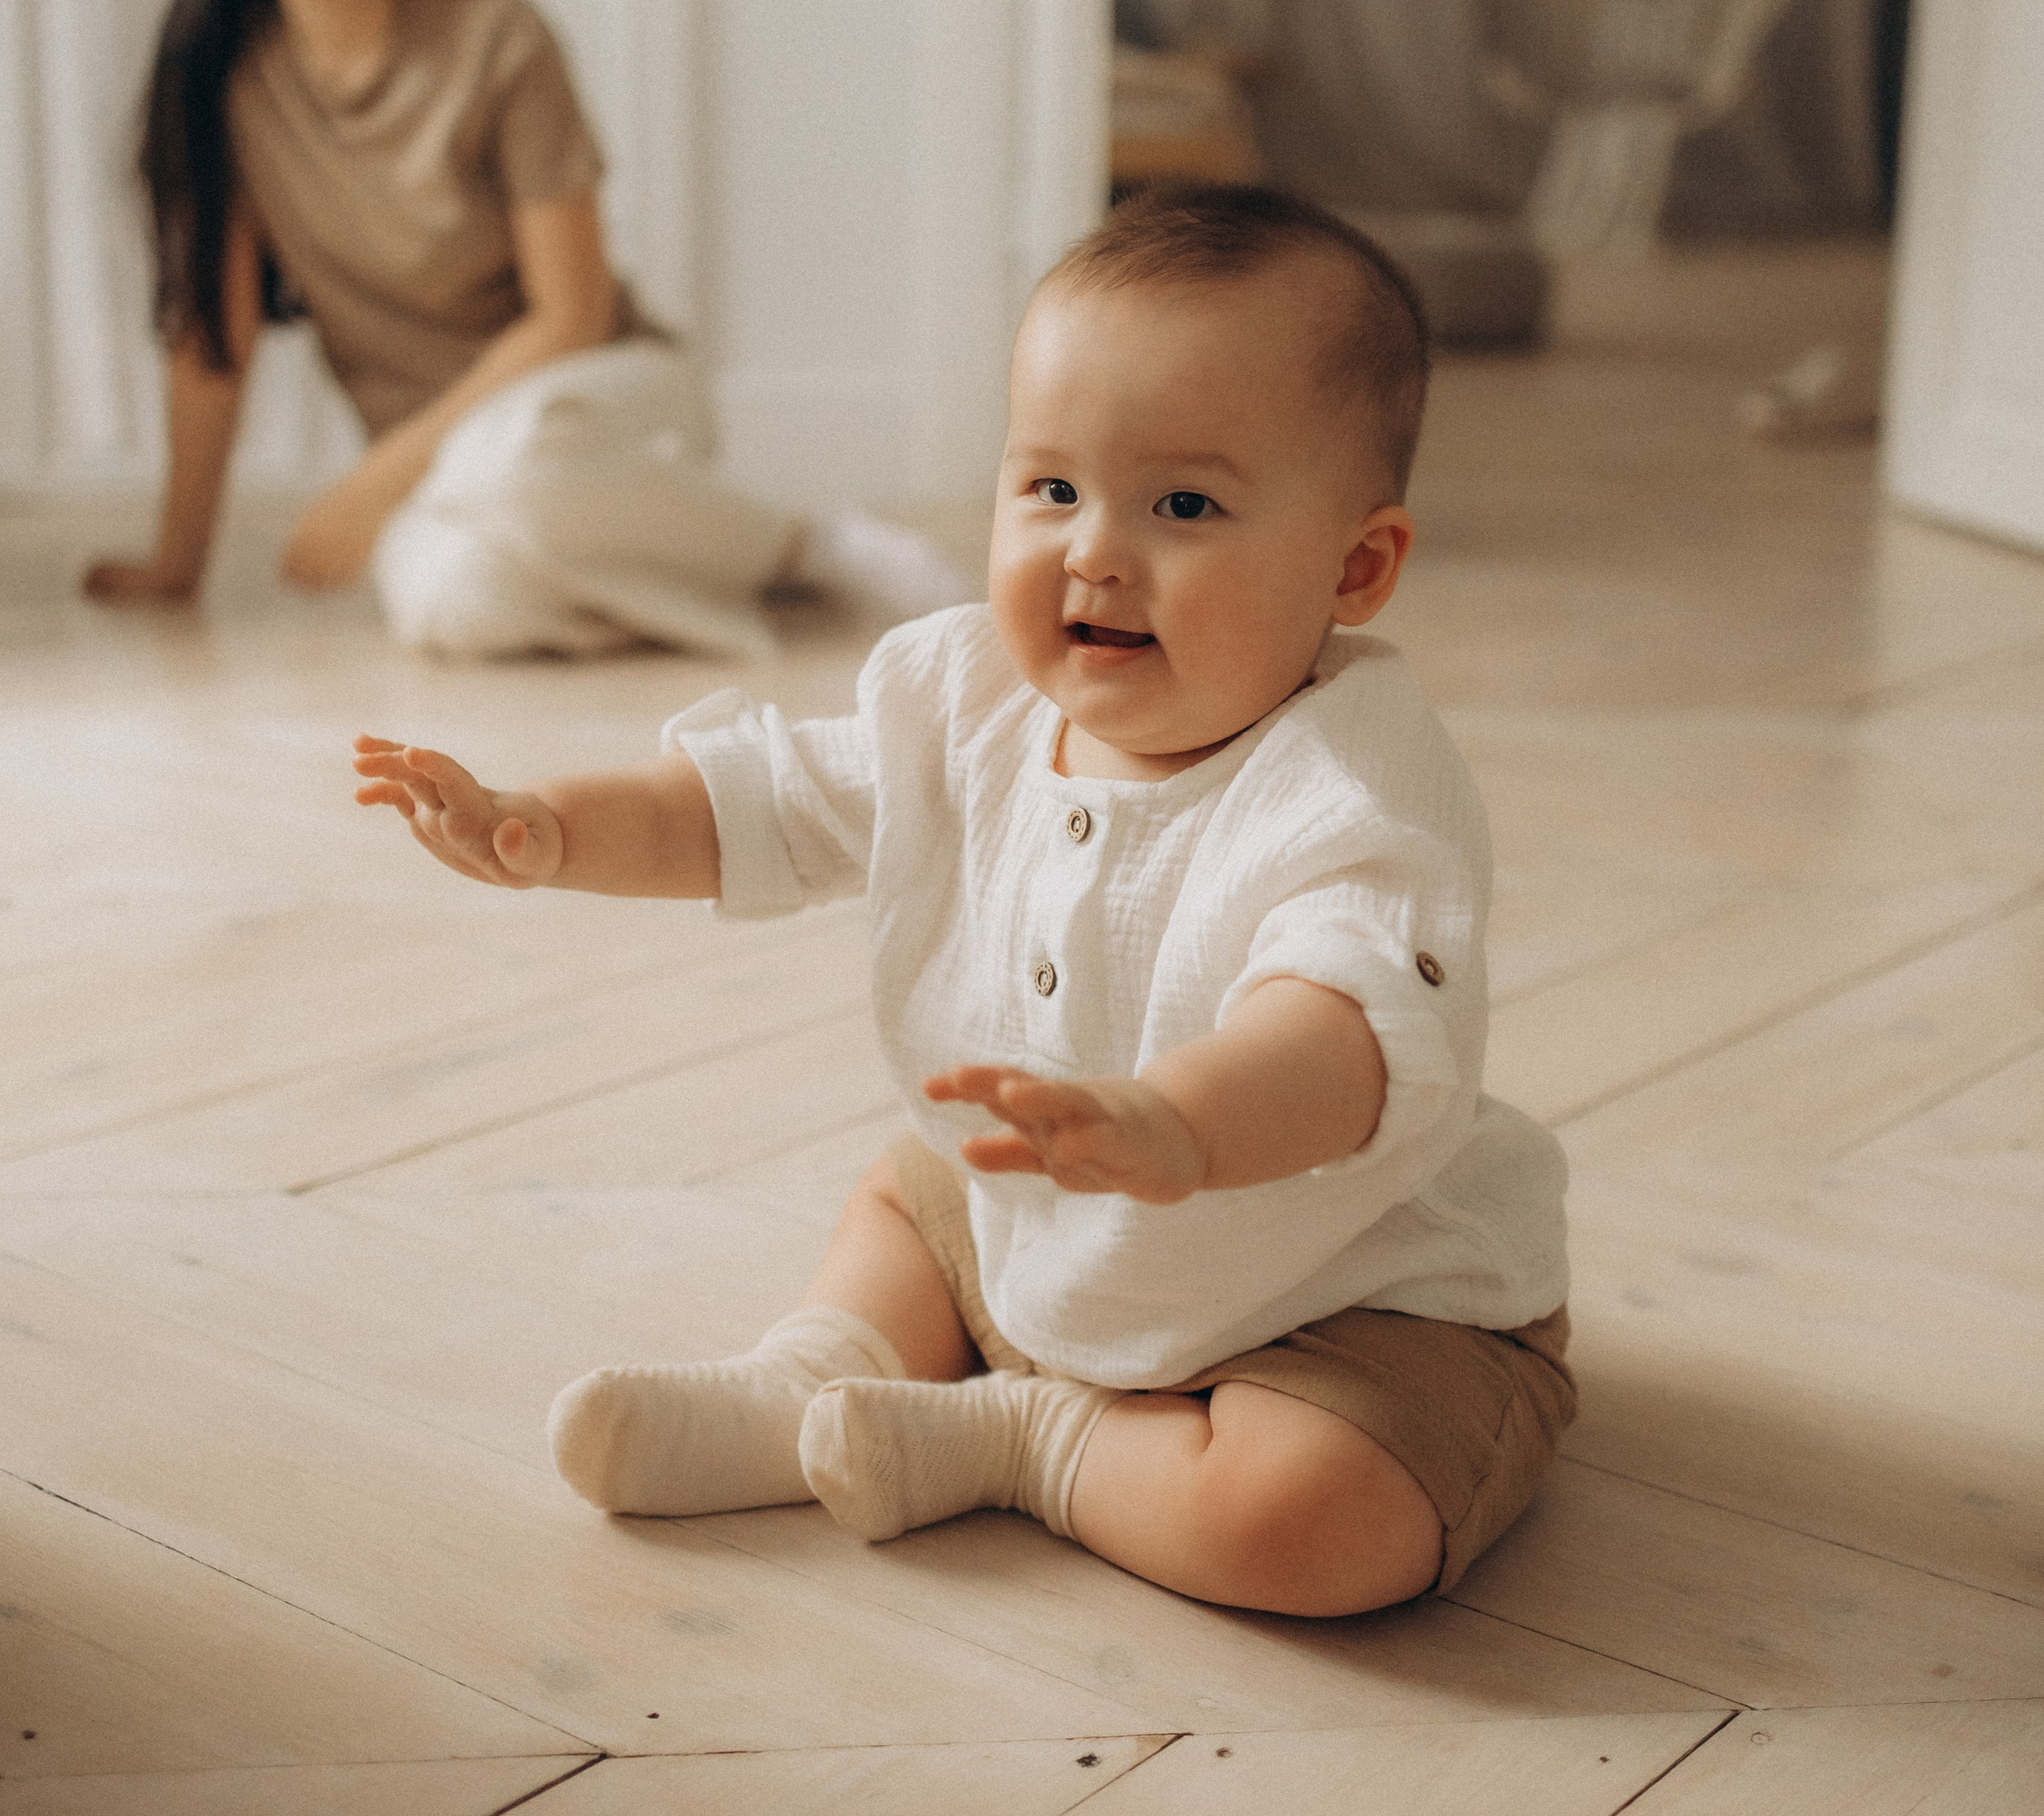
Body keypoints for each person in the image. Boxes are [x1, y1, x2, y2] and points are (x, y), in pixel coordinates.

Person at [354, 185, 1573, 1617]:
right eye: (1051, 489)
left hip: (1339, 1297)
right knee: (917, 1188)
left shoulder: (1353, 798)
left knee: (1302, 1526)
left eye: (1183, 504)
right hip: (1039, 1209)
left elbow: (1341, 1032)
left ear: (1354, 567)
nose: (1094, 553)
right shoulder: (961, 702)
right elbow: (752, 801)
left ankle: (1027, 1442)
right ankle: (810, 1381)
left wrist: (1180, 1122)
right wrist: (547, 827)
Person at [86, 0, 961, 655]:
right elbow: (210, 344)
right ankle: (684, 569)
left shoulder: (499, 40)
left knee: (506, 463)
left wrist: (375, 481)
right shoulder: (225, 85)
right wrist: (175, 562)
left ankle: (801, 543)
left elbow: (571, 315)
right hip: (448, 471)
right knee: (452, 603)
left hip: (594, 399)